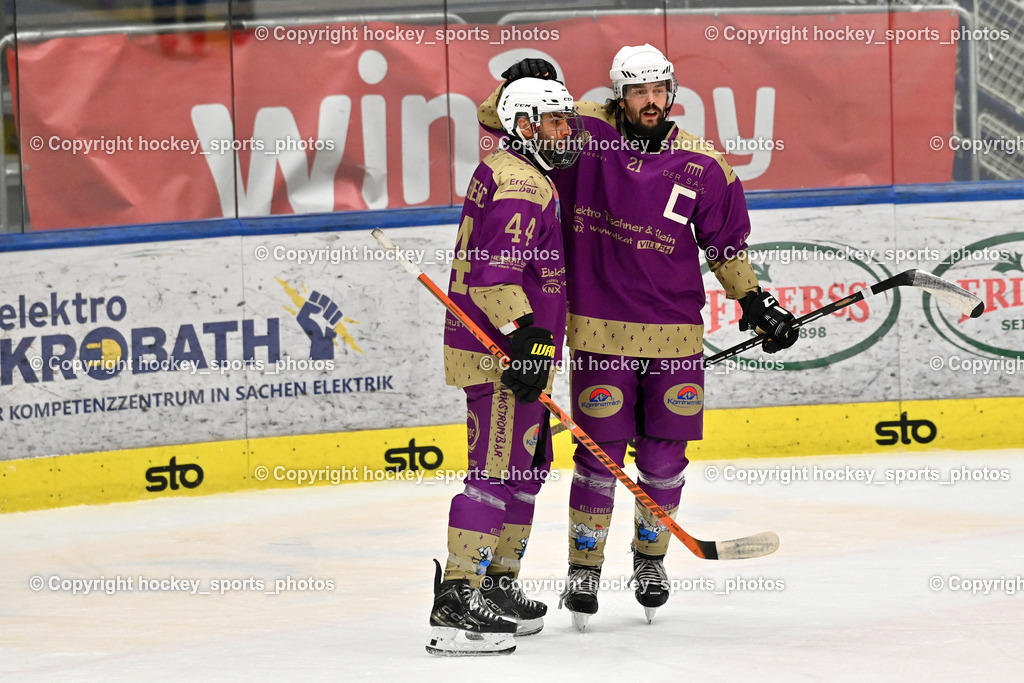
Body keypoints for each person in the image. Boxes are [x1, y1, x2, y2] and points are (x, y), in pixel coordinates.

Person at [479, 47, 797, 630]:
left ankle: (650, 559)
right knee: (598, 459)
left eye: (659, 90)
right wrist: (515, 85)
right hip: (600, 331)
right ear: (619, 95)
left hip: (676, 335)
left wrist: (757, 304)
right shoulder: (584, 133)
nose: (650, 101)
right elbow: (502, 121)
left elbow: (726, 247)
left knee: (663, 459)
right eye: (638, 91)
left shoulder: (705, 164)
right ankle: (584, 567)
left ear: (672, 92)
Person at [426, 77, 584, 656]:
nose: (566, 131)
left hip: (519, 349)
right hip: (499, 353)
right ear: (523, 124)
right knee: (492, 475)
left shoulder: (521, 169)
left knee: (523, 471)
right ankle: (457, 598)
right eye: (555, 121)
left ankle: (495, 582)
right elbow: (495, 274)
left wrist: (533, 344)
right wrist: (524, 338)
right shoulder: (521, 182)